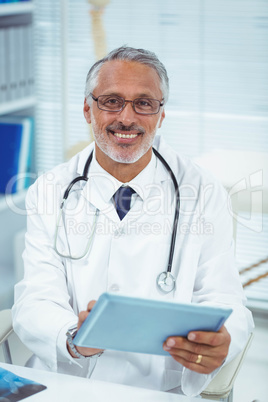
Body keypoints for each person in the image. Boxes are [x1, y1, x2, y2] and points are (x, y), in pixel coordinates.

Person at [12, 46, 254, 397]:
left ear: (161, 114)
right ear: (87, 110)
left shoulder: (202, 190)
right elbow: (36, 297)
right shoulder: (51, 190)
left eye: (143, 103)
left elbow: (224, 297)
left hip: (161, 388)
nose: (126, 117)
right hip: (70, 379)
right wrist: (72, 337)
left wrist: (222, 341)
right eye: (111, 101)